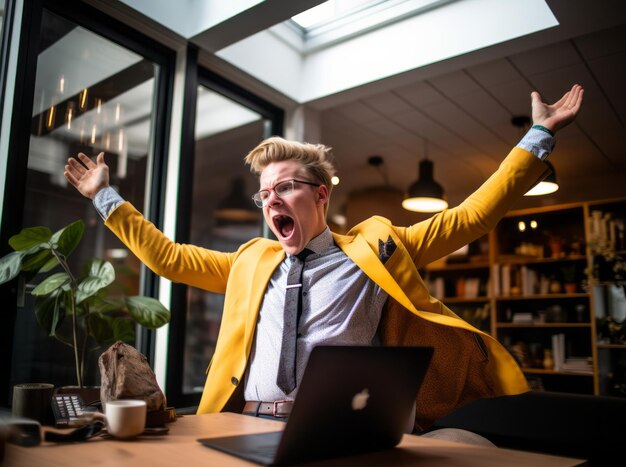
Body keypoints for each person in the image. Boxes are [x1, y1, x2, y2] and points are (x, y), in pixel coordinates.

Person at [64, 84, 584, 439]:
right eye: (264, 193)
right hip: (243, 422)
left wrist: (536, 139)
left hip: (342, 425)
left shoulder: (377, 248)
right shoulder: (250, 261)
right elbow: (169, 258)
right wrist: (105, 196)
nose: (271, 200)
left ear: (321, 196)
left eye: (285, 187)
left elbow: (470, 217)